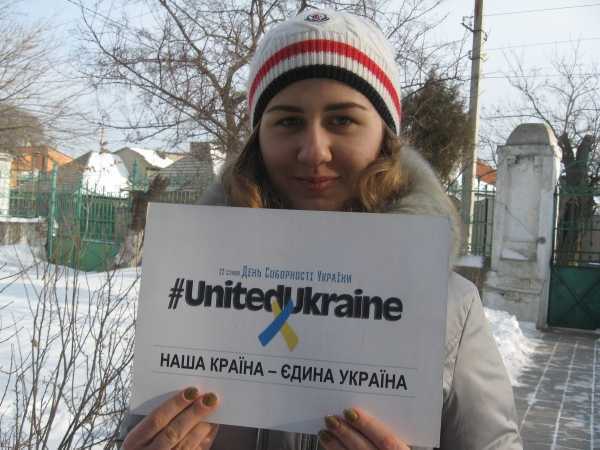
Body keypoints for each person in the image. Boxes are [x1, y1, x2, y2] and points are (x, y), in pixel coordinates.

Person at [120, 9, 523, 450]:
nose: (314, 151)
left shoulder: (448, 308)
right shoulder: (192, 293)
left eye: (342, 120)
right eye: (288, 121)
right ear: (258, 139)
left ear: (385, 138)